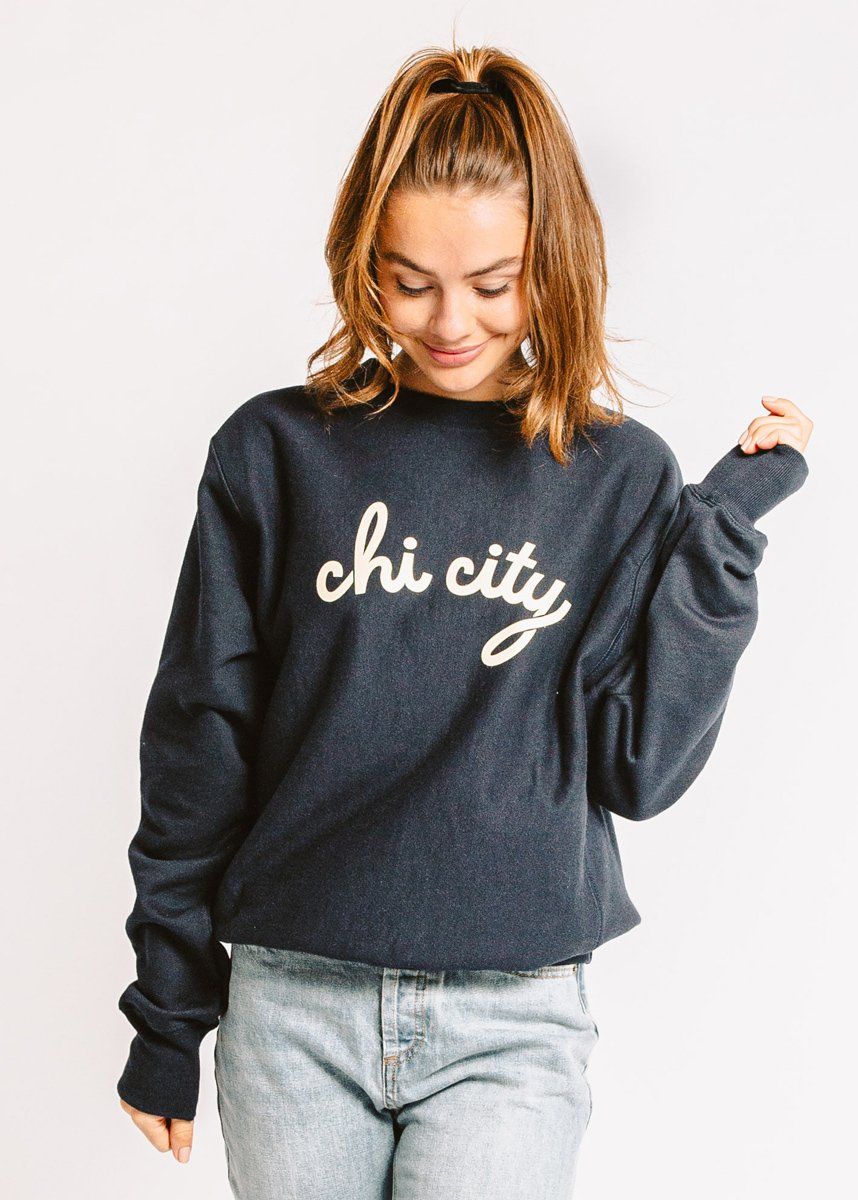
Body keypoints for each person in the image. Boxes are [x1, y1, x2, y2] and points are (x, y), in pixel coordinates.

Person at [116, 43, 813, 1199]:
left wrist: (723, 533)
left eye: (495, 284)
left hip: (515, 1022)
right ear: (361, 260)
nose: (450, 322)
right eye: (409, 281)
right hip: (293, 1010)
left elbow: (641, 768)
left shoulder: (616, 477)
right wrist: (167, 1011)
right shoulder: (275, 453)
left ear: (557, 263)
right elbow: (199, 739)